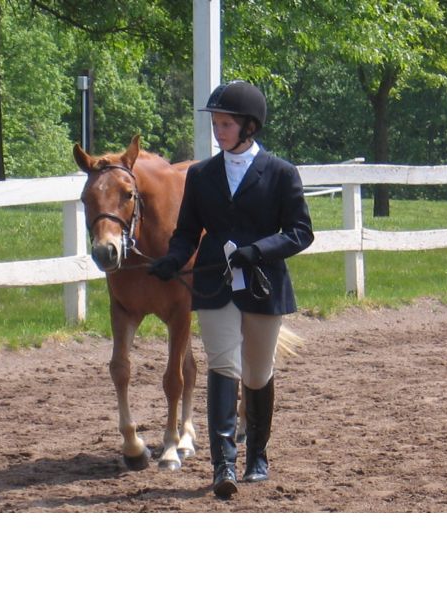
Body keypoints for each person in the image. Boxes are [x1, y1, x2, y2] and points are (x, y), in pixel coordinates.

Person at [149, 80, 314, 499]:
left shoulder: (280, 173)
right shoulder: (202, 174)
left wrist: (256, 251)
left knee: (257, 373)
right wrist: (173, 259)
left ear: (249, 127)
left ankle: (257, 454)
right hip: (214, 284)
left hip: (262, 284)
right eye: (216, 124)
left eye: (226, 124)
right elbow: (187, 231)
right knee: (223, 366)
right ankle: (223, 463)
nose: (218, 131)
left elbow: (300, 232)